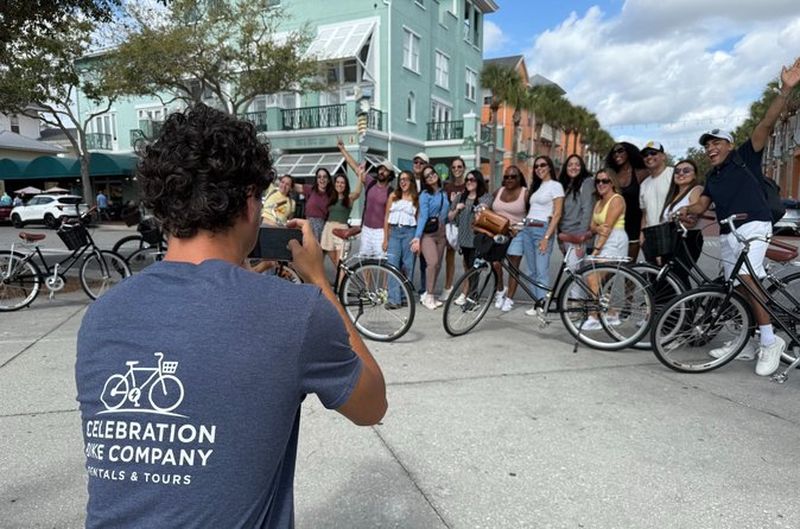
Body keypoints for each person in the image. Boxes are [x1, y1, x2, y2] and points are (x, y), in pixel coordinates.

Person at [75, 104, 386, 529]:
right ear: (249, 204)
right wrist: (319, 281)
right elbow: (372, 406)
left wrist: (236, 278)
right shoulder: (295, 312)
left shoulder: (102, 315)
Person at [681, 56, 800, 376]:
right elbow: (701, 205)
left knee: (749, 277)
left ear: (729, 144)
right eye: (707, 145)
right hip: (728, 232)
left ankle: (769, 339)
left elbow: (766, 123)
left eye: (716, 142)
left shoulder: (745, 155)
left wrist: (786, 89)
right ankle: (751, 339)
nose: (710, 148)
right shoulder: (713, 176)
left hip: (755, 225)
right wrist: (685, 211)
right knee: (741, 286)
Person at [583, 168, 628, 330]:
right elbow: (593, 226)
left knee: (593, 278)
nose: (601, 184)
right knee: (602, 282)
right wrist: (597, 229)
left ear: (612, 183)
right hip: (603, 239)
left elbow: (607, 228)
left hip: (614, 240)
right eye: (598, 181)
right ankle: (611, 313)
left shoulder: (616, 200)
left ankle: (595, 317)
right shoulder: (599, 202)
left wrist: (595, 250)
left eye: (605, 181)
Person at [520, 156, 564, 313]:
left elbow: (557, 214)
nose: (539, 168)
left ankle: (544, 305)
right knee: (531, 271)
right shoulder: (537, 187)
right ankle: (537, 303)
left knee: (541, 270)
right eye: (536, 166)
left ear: (550, 167)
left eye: (543, 165)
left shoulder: (556, 186)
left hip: (542, 230)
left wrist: (547, 237)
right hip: (528, 229)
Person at [337, 140, 393, 258]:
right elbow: (355, 167)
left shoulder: (391, 192)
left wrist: (387, 237)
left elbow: (390, 216)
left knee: (381, 262)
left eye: (385, 170)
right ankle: (366, 278)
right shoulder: (370, 182)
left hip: (380, 232)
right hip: (366, 229)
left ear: (390, 174)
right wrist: (343, 150)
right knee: (365, 260)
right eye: (381, 169)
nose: (382, 172)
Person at [448, 169, 493, 306]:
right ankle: (469, 295)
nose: (469, 182)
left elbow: (486, 211)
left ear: (478, 182)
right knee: (468, 267)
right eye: (467, 180)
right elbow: (450, 217)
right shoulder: (460, 197)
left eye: (472, 180)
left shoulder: (485, 197)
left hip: (477, 239)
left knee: (475, 269)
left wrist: (482, 209)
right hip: (464, 239)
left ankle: (473, 299)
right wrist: (457, 209)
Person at [660, 160, 704, 289]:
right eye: (677, 171)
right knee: (671, 278)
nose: (681, 173)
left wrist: (674, 219)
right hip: (672, 239)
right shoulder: (673, 195)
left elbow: (692, 221)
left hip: (688, 239)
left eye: (686, 170)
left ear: (695, 175)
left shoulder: (696, 190)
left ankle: (686, 307)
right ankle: (681, 307)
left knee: (677, 276)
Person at [412, 164, 450, 310]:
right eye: (427, 176)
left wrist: (456, 210)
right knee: (432, 263)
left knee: (438, 265)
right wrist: (417, 237)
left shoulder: (443, 193)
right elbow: (423, 217)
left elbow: (446, 215)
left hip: (441, 233)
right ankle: (428, 296)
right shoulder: (424, 195)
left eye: (432, 173)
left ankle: (431, 294)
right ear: (425, 181)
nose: (431, 176)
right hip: (428, 233)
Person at [491, 165, 528, 311]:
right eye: (506, 177)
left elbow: (531, 214)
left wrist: (520, 226)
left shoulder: (525, 193)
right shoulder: (498, 192)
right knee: (496, 263)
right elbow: (486, 204)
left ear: (519, 178)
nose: (510, 179)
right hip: (498, 232)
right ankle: (500, 290)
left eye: (513, 176)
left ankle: (510, 298)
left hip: (517, 234)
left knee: (513, 267)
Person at [605, 142, 647, 262]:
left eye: (620, 151)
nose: (616, 155)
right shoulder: (612, 175)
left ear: (629, 152)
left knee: (629, 266)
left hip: (634, 226)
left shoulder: (640, 173)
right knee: (611, 266)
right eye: (614, 153)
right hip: (616, 226)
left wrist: (643, 229)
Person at [383, 170, 419, 309]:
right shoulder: (393, 196)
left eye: (406, 179)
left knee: (408, 266)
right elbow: (386, 218)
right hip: (395, 232)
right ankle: (394, 299)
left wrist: (417, 238)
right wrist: (385, 239)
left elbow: (418, 219)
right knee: (392, 265)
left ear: (411, 182)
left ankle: (404, 297)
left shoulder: (416, 199)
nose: (403, 182)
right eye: (401, 179)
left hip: (409, 232)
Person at [639, 140, 673, 263]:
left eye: (653, 153)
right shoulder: (644, 184)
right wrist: (642, 235)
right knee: (654, 277)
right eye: (645, 155)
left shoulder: (674, 175)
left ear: (663, 156)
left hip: (670, 234)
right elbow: (645, 213)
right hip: (650, 236)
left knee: (674, 278)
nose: (649, 157)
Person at [320, 172, 362, 267]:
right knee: (336, 263)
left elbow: (358, 192)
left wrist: (360, 176)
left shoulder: (349, 198)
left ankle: (344, 281)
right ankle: (342, 281)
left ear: (346, 185)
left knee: (341, 263)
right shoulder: (331, 197)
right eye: (338, 182)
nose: (339, 184)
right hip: (328, 229)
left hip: (342, 229)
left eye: (342, 183)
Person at [441, 157, 467, 301]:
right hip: (450, 225)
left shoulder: (467, 185)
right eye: (454, 167)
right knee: (449, 257)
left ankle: (465, 291)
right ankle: (448, 287)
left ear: (464, 168)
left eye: (459, 167)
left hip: (464, 225)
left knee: (466, 260)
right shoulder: (447, 187)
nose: (457, 169)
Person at [411, 152, 430, 295]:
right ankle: (406, 289)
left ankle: (425, 289)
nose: (418, 165)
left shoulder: (429, 183)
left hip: (424, 227)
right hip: (408, 226)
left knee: (425, 262)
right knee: (407, 261)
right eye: (416, 162)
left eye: (421, 163)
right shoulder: (407, 180)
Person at [303, 168, 335, 241]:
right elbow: (292, 185)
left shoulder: (332, 195)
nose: (322, 179)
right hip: (307, 224)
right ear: (316, 179)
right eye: (319, 177)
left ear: (329, 180)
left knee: (318, 249)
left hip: (321, 227)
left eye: (325, 177)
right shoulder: (311, 189)